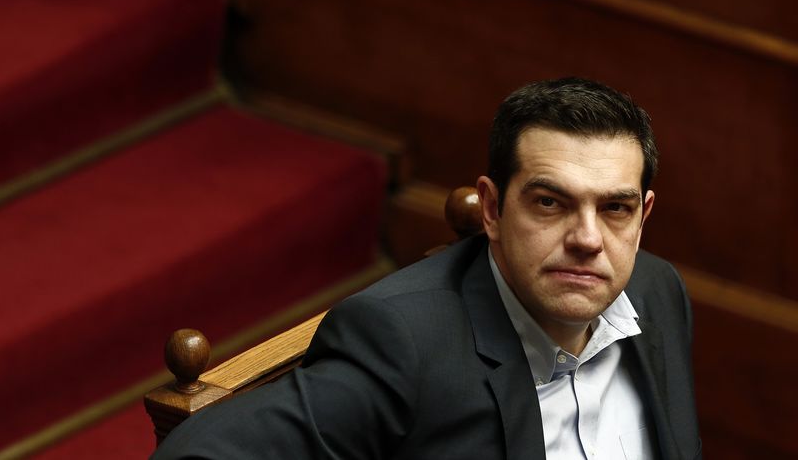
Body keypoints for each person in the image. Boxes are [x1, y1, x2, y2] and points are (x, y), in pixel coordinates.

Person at [153, 77, 701, 459]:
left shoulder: (655, 290)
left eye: (614, 209)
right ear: (492, 209)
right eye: (550, 203)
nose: (587, 239)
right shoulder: (405, 344)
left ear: (642, 215)